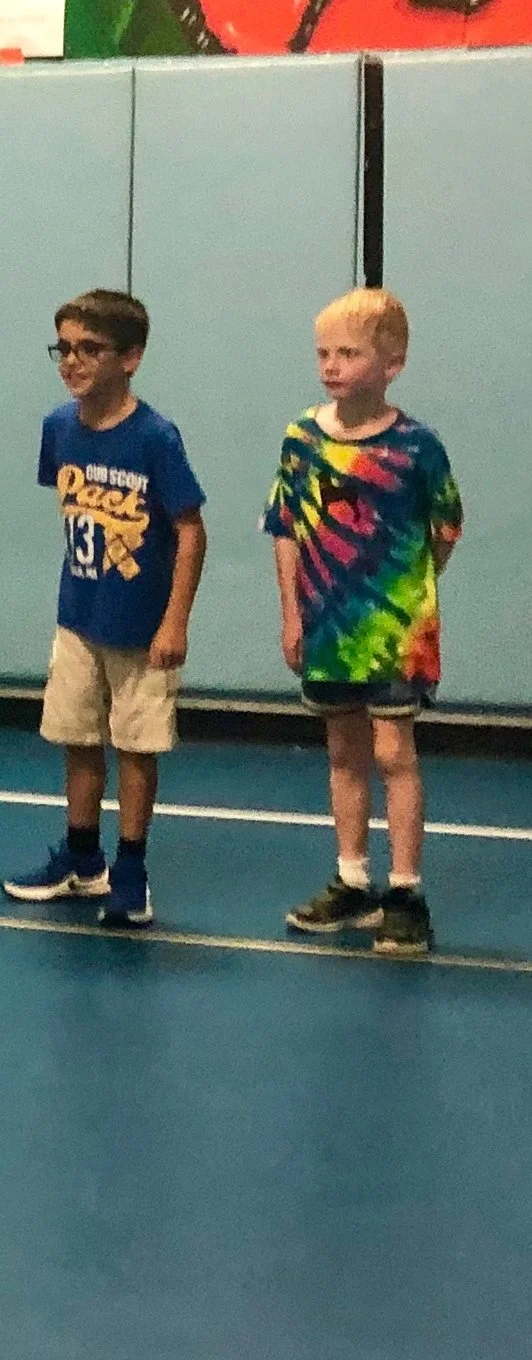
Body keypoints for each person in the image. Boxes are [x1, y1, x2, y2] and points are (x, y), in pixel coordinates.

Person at [1, 291, 207, 927]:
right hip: (79, 615)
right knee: (77, 736)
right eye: (63, 348)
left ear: (131, 358)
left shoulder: (155, 438)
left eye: (89, 349)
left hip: (141, 627)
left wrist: (175, 620)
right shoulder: (58, 429)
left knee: (136, 746)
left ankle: (131, 869)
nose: (72, 361)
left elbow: (190, 530)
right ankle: (82, 857)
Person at [273, 288, 462, 956]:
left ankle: (405, 893)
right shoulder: (302, 439)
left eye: (349, 354)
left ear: (392, 364)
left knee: (392, 754)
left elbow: (445, 528)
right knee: (343, 751)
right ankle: (352, 880)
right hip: (327, 626)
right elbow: (286, 528)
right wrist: (294, 613)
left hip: (395, 633)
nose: (332, 365)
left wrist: (405, 595)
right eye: (324, 353)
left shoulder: (416, 447)